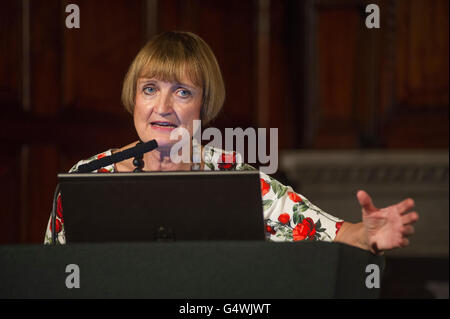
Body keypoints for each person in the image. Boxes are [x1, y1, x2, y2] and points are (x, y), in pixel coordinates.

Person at [44, 31, 419, 255]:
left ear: (203, 106)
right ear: (134, 98)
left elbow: (326, 230)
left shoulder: (233, 174)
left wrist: (364, 233)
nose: (163, 107)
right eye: (149, 89)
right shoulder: (86, 178)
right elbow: (52, 276)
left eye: (182, 92)